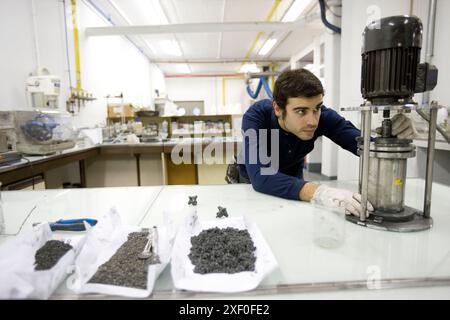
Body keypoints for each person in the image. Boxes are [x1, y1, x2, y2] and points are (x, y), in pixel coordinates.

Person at [236, 69, 416, 217]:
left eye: (317, 108)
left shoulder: (322, 117)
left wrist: (390, 140)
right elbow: (261, 177)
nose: (312, 121)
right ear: (277, 108)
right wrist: (320, 192)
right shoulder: (256, 118)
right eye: (301, 111)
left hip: (291, 177)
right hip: (250, 180)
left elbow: (362, 145)